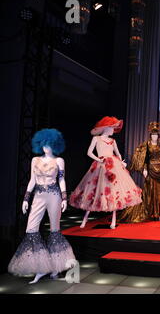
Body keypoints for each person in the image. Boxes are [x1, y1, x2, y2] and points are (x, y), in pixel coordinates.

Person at [8, 129, 76, 284]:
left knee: (54, 230)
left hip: (54, 196)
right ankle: (41, 267)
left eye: (49, 144)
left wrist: (65, 198)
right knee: (31, 229)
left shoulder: (59, 161)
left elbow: (61, 180)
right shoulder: (35, 160)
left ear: (54, 145)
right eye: (43, 144)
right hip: (38, 195)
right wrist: (26, 198)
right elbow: (32, 180)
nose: (46, 147)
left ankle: (55, 269)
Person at [69, 116, 142, 229]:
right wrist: (99, 160)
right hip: (100, 166)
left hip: (113, 166)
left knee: (113, 190)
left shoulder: (113, 141)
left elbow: (118, 153)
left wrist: (121, 162)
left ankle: (113, 220)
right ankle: (85, 219)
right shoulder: (96, 139)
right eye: (113, 128)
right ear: (107, 128)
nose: (114, 130)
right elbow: (89, 152)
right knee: (94, 190)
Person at [119, 122, 160, 223]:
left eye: (156, 135)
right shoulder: (145, 145)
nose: (154, 136)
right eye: (153, 135)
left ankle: (159, 212)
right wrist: (144, 169)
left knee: (159, 193)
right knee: (150, 192)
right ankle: (149, 211)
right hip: (150, 170)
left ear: (158, 136)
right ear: (150, 135)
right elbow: (143, 159)